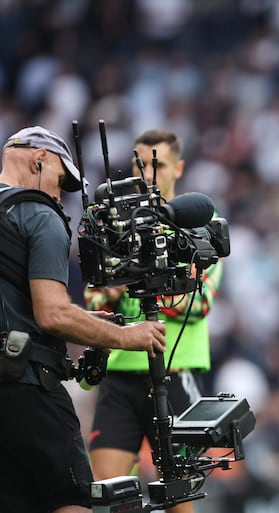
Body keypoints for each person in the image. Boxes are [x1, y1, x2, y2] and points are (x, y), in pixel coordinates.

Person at [0, 125, 166, 513]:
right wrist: (130, 336)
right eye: (60, 181)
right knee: (71, 499)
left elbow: (20, 305)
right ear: (39, 159)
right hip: (28, 387)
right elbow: (53, 314)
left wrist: (92, 320)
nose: (60, 195)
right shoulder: (39, 213)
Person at [85, 129, 223, 513]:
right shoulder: (113, 226)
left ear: (177, 168)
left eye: (155, 164)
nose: (146, 172)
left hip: (176, 373)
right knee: (107, 495)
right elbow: (93, 299)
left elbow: (200, 302)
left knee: (181, 500)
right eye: (139, 164)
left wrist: (129, 283)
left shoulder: (201, 222)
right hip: (120, 372)